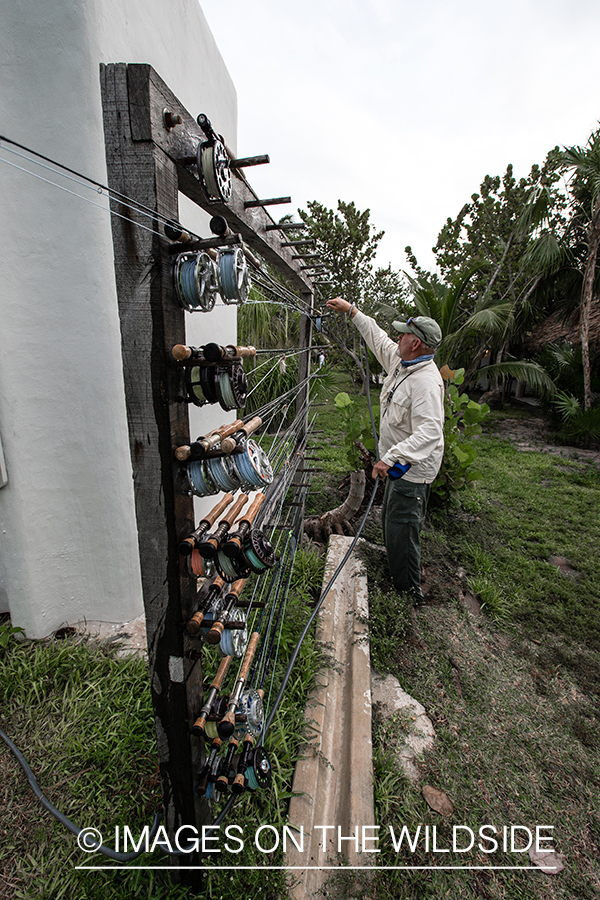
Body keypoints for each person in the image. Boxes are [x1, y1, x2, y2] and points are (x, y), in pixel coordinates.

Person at [326, 297, 445, 604]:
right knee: (392, 521)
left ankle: (408, 595)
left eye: (403, 334)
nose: (397, 337)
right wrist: (353, 312)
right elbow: (377, 337)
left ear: (415, 343)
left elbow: (430, 431)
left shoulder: (426, 383)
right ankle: (400, 577)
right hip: (398, 465)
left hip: (412, 469)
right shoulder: (401, 362)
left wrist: (390, 458)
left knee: (403, 529)